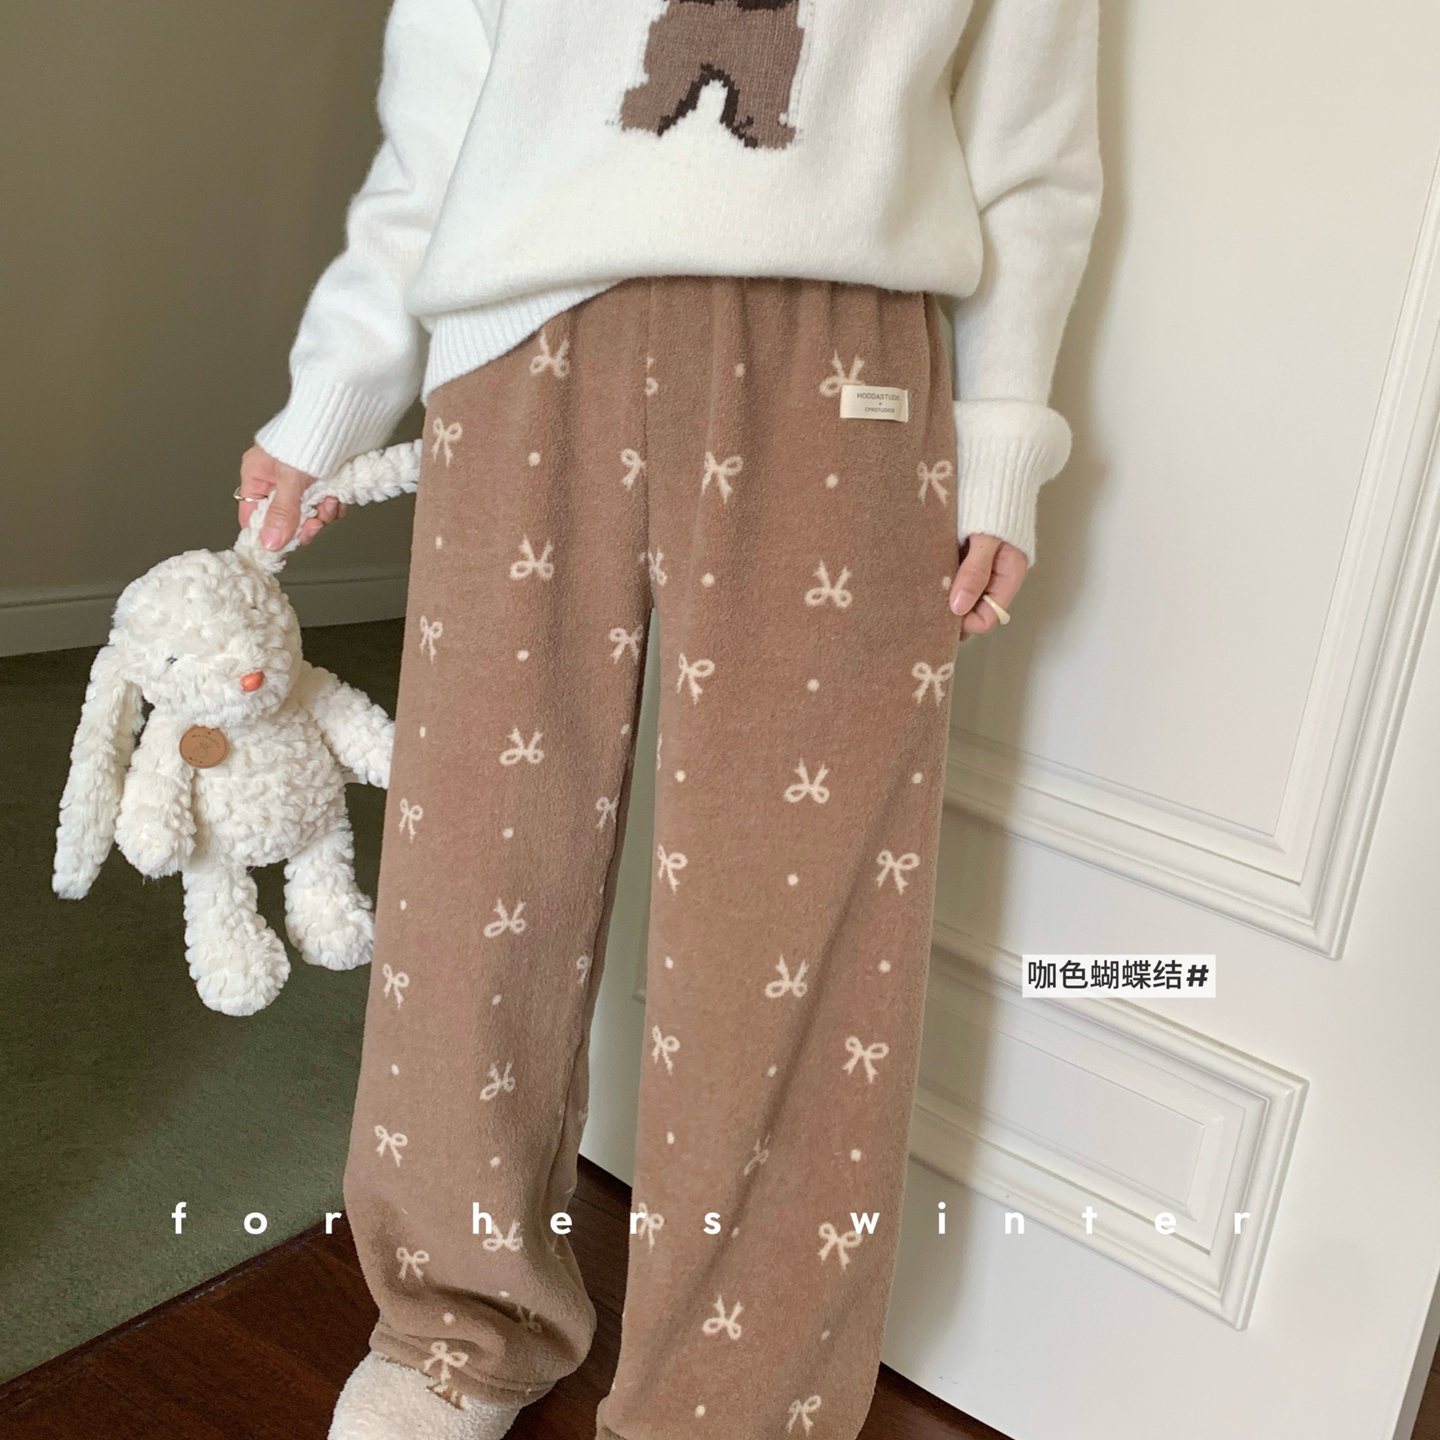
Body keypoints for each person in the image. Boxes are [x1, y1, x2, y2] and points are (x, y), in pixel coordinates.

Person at [239, 3, 1101, 1438]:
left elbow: (1032, 146)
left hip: (844, 352)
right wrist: (334, 388)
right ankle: (460, 1326)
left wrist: (1006, 429)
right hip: (521, 336)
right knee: (475, 873)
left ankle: (734, 1407)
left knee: (794, 916)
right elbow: (437, 120)